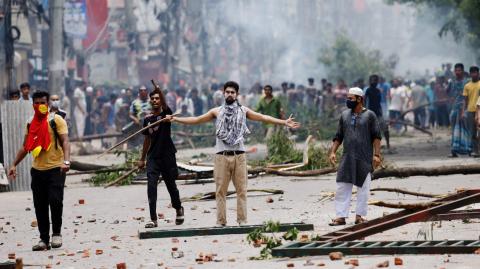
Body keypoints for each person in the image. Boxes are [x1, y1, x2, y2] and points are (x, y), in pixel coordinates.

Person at [166, 81, 300, 226]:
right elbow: (196, 120)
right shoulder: (216, 111)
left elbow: (263, 117)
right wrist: (175, 119)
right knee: (220, 191)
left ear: (237, 95)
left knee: (241, 190)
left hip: (239, 156)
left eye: (233, 92)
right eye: (227, 92)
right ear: (224, 93)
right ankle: (221, 222)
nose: (230, 94)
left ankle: (242, 221)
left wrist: (283, 122)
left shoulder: (244, 111)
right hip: (221, 156)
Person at [8, 91, 70, 251]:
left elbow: (65, 141)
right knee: (40, 205)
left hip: (56, 168)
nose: (39, 106)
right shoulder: (30, 123)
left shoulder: (56, 120)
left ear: (48, 104)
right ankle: (44, 239)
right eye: (36, 103)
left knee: (56, 200)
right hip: (37, 171)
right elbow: (25, 146)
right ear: (32, 104)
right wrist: (14, 164)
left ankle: (56, 233)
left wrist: (67, 161)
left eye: (42, 102)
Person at [328, 87, 382, 226]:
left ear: (360, 99)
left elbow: (376, 136)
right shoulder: (344, 115)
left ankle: (359, 216)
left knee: (363, 189)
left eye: (351, 98)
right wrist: (333, 152)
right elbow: (338, 136)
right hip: (347, 158)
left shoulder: (370, 115)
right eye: (347, 98)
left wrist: (377, 155)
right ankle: (341, 217)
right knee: (342, 186)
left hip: (364, 157)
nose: (348, 101)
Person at [137, 89, 184, 228]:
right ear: (150, 101)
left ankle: (178, 208)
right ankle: (153, 219)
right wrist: (142, 158)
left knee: (171, 186)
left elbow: (164, 103)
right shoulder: (147, 119)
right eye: (153, 99)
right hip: (153, 157)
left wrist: (159, 90)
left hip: (167, 156)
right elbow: (146, 140)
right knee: (151, 186)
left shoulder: (166, 115)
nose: (155, 100)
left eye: (157, 98)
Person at [447, 63, 470, 157]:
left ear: (463, 71)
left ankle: (469, 149)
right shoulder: (452, 82)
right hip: (455, 107)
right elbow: (448, 93)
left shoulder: (467, 82)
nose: (457, 72)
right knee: (454, 129)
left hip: (465, 107)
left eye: (459, 70)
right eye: (456, 70)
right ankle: (454, 149)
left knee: (466, 129)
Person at [364, 74, 390, 149]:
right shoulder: (368, 90)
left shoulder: (378, 90)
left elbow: (378, 103)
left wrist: (381, 112)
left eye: (375, 80)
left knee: (385, 128)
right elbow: (365, 100)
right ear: (370, 81)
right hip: (370, 113)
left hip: (378, 113)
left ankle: (388, 145)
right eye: (373, 80)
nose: (374, 82)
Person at [463, 66, 480, 157]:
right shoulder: (467, 86)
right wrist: (464, 111)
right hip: (470, 110)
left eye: (475, 72)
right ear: (470, 74)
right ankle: (476, 151)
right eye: (472, 72)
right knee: (473, 132)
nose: (474, 74)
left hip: (479, 111)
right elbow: (465, 100)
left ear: (478, 73)